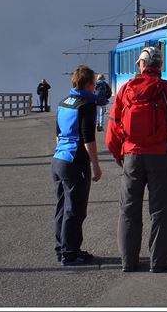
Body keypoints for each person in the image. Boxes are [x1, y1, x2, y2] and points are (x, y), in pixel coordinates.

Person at [106, 46, 167, 273]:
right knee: (161, 209)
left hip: (132, 156)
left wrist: (118, 153)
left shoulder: (125, 90)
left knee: (129, 210)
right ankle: (159, 261)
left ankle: (129, 262)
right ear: (159, 66)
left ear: (141, 65)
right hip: (159, 157)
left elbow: (113, 126)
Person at [52, 65, 102, 266]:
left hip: (59, 160)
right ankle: (71, 253)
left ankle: (62, 248)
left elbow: (57, 134)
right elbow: (88, 138)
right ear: (89, 84)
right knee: (76, 209)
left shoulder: (64, 102)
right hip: (75, 161)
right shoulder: (86, 105)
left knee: (62, 207)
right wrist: (96, 165)